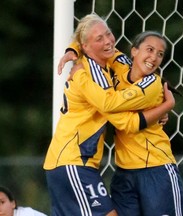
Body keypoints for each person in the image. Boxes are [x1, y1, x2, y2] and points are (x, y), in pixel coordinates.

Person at [44, 14, 174, 216]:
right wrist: (164, 107)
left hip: (76, 161)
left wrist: (72, 49)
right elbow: (116, 111)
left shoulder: (111, 63)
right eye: (99, 39)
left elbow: (87, 42)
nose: (108, 41)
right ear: (86, 47)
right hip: (73, 160)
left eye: (108, 34)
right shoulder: (90, 74)